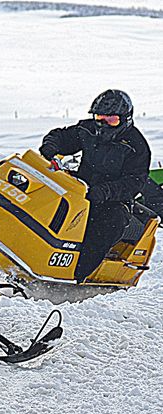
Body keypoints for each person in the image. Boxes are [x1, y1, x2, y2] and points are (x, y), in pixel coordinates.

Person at [39, 89, 151, 283]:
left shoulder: (137, 146)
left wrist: (104, 192)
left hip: (113, 200)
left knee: (109, 224)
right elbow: (61, 137)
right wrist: (51, 148)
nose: (103, 124)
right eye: (99, 117)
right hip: (79, 186)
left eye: (112, 120)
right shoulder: (88, 129)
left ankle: (75, 276)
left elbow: (134, 182)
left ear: (126, 119)